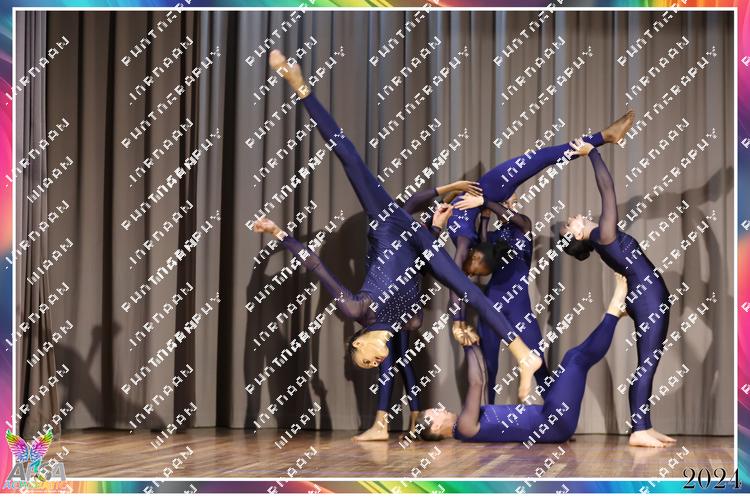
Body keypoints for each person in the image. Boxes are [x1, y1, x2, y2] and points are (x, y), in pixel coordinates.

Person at [255, 50, 542, 405]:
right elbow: (413, 271)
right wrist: (434, 230)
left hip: (388, 226)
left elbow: (316, 265)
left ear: (357, 342)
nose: (372, 363)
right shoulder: (409, 323)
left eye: (363, 360)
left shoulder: (356, 310)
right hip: (420, 241)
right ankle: (525, 355)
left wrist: (279, 234)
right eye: (371, 366)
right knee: (470, 291)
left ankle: (302, 89)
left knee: (350, 160)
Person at [445, 113, 635, 345]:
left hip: (481, 197)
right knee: (540, 158)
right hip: (482, 196)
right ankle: (602, 137)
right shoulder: (470, 238)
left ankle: (603, 137)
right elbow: (459, 276)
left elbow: (457, 277)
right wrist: (458, 322)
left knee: (540, 159)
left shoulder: (469, 239)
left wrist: (459, 321)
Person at [418, 274, 638, 445]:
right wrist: (468, 346)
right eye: (434, 412)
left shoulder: (464, 424)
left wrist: (472, 345)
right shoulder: (464, 428)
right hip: (554, 423)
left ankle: (616, 312)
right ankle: (615, 308)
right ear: (435, 427)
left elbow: (479, 378)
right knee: (577, 360)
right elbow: (477, 382)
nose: (439, 408)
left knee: (573, 357)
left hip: (550, 416)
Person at [559, 138, 676, 448]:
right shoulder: (604, 235)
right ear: (577, 234)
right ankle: (638, 430)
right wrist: (593, 153)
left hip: (646, 298)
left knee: (647, 362)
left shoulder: (602, 239)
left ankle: (644, 426)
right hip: (648, 299)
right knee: (647, 363)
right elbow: (608, 191)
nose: (573, 217)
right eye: (570, 224)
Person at [453, 194, 551, 403]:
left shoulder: (524, 225)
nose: (510, 207)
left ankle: (556, 414)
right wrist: (485, 217)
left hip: (519, 307)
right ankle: (488, 413)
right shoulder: (495, 236)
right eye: (506, 202)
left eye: (514, 202)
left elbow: (512, 218)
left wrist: (486, 202)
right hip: (493, 303)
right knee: (489, 367)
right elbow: (483, 249)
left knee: (538, 361)